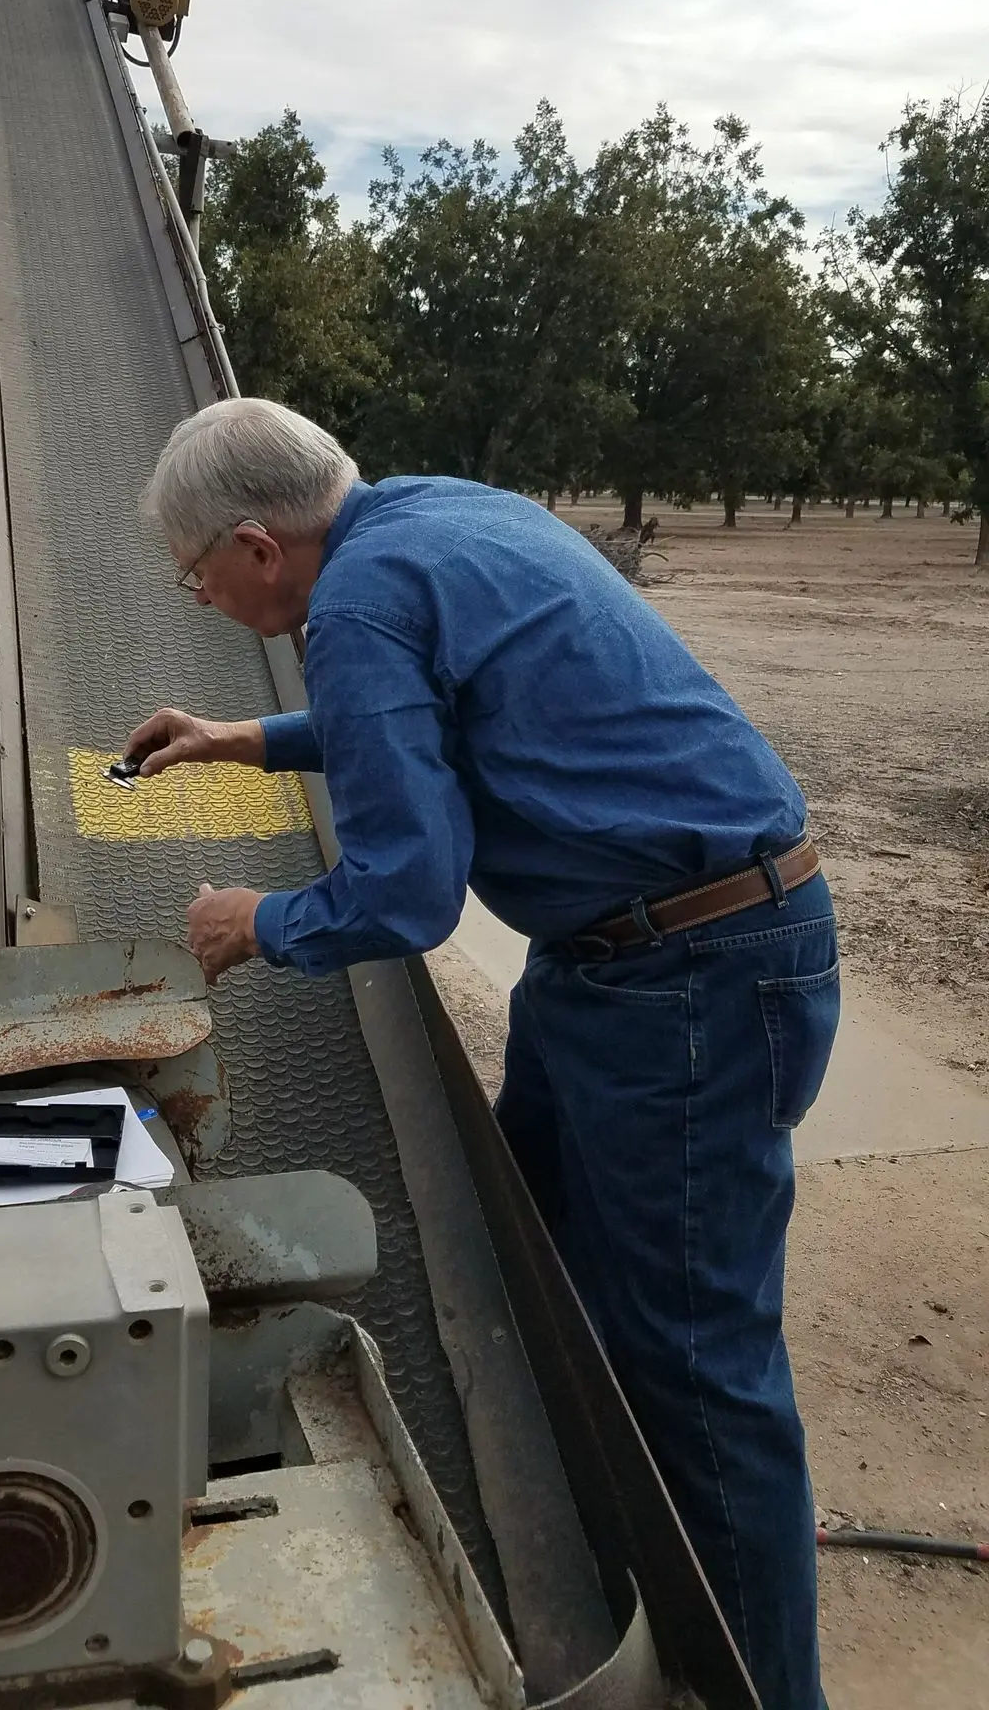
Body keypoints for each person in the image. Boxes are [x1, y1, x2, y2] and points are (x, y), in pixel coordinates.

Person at [126, 397, 838, 1710]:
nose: (204, 598)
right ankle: (628, 1573)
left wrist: (258, 921)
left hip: (690, 983)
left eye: (197, 575)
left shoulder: (352, 607)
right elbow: (429, 706)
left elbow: (407, 896)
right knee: (546, 1276)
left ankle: (757, 1689)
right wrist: (248, 737)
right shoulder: (438, 520)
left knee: (694, 1356)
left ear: (254, 544)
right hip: (644, 956)